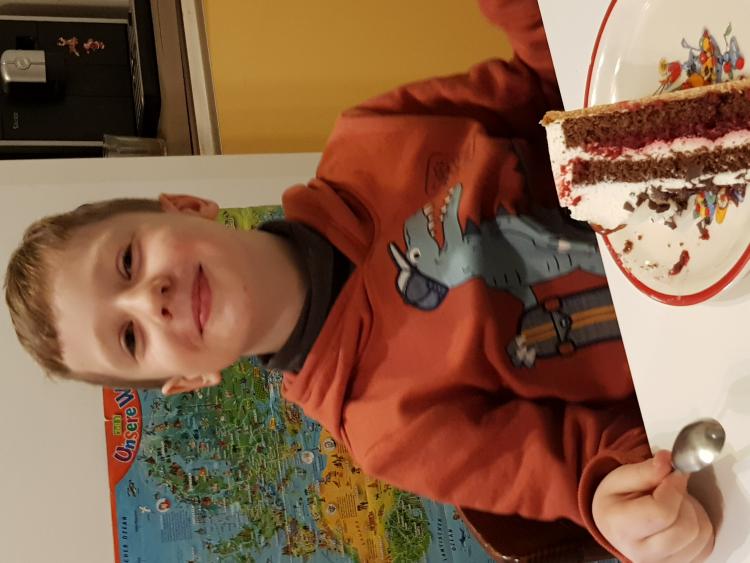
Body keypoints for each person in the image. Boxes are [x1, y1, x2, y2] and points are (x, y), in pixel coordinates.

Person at [4, 1, 715, 561]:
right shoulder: (387, 431)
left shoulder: (369, 136)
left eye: (128, 261)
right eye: (129, 337)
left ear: (186, 206)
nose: (148, 300)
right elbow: (583, 467)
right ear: (190, 381)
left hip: (704, 161)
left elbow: (554, 84)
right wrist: (618, 503)